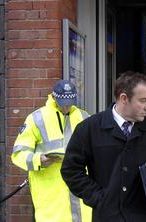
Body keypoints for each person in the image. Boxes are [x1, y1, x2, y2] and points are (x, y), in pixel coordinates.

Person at [61, 71, 146, 221]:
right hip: (108, 216)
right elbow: (70, 170)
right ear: (124, 98)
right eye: (143, 100)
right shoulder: (89, 128)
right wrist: (99, 198)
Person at [11, 79, 92, 222]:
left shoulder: (84, 117)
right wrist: (39, 160)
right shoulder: (36, 119)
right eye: (63, 103)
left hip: (80, 192)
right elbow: (18, 153)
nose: (67, 107)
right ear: (53, 97)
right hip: (51, 198)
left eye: (70, 102)